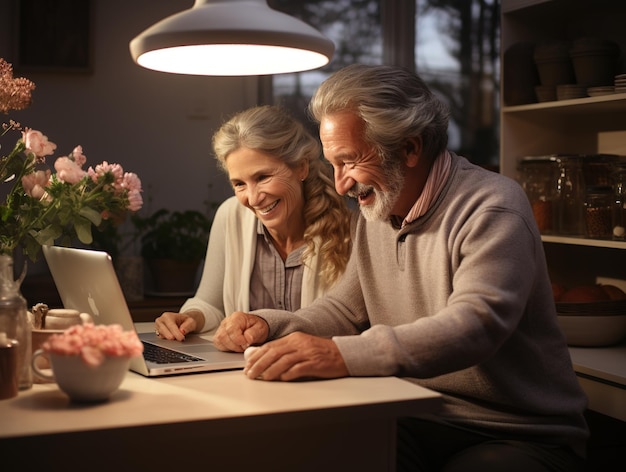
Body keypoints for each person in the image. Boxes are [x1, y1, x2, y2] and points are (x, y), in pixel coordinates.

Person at [212, 65, 589, 472]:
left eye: (350, 161)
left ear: (409, 148)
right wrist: (269, 325)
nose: (340, 185)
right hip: (413, 413)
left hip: (516, 431)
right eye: (332, 165)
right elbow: (344, 310)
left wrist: (340, 355)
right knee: (305, 451)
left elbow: (476, 326)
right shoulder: (378, 210)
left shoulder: (491, 207)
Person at [154, 105, 353, 341]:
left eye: (263, 177)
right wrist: (192, 317)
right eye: (239, 184)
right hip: (244, 371)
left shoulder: (352, 227)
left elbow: (350, 321)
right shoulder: (231, 215)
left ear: (301, 167)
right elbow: (210, 302)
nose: (253, 197)